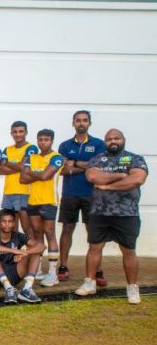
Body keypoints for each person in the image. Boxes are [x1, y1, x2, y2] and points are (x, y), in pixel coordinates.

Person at [76, 129, 148, 304]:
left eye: (116, 138)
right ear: (105, 142)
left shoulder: (135, 159)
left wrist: (108, 186)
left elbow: (137, 179)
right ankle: (90, 283)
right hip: (99, 212)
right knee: (94, 247)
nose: (113, 141)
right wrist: (121, 175)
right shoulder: (97, 159)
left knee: (128, 250)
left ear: (123, 139)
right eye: (109, 139)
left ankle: (132, 288)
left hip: (127, 213)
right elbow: (92, 176)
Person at [57, 110, 106, 283]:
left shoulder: (99, 144)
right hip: (69, 193)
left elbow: (99, 167)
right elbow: (61, 170)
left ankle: (97, 268)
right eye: (78, 120)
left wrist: (75, 163)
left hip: (92, 194)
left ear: (89, 123)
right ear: (73, 123)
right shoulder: (64, 145)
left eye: (85, 120)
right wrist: (87, 166)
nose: (81, 123)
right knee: (67, 229)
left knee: (93, 231)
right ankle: (63, 266)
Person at [20, 129, 64, 287]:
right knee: (37, 234)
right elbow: (22, 178)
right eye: (40, 139)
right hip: (33, 201)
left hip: (49, 201)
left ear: (52, 141)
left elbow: (46, 176)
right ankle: (37, 269)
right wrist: (40, 174)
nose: (43, 142)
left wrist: (32, 173)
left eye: (46, 139)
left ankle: (53, 273)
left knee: (50, 234)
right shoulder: (31, 157)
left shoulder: (57, 157)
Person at [0, 209, 46, 304]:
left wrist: (24, 253)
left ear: (14, 223)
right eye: (4, 221)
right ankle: (8, 288)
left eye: (10, 221)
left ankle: (27, 289)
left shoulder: (18, 236)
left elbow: (41, 246)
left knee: (35, 252)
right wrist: (14, 251)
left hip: (14, 274)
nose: (7, 224)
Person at [0, 121, 38, 237]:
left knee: (26, 227)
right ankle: (14, 248)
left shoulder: (31, 148)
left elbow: (22, 167)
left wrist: (7, 163)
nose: (18, 134)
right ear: (11, 133)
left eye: (21, 131)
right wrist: (18, 166)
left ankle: (33, 249)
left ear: (26, 132)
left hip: (23, 192)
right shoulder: (7, 149)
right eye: (15, 132)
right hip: (8, 192)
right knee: (10, 228)